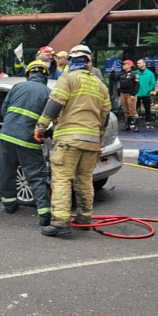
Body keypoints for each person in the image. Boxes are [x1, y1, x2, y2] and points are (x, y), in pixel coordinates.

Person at [34, 45, 110, 237]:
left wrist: (41, 127)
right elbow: (105, 117)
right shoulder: (101, 86)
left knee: (61, 179)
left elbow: (55, 104)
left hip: (69, 140)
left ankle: (60, 223)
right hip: (91, 142)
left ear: (71, 61)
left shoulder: (67, 78)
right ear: (88, 62)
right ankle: (84, 218)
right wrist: (99, 139)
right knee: (84, 180)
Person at [0, 59, 52, 224]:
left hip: (6, 135)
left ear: (29, 73)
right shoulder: (47, 92)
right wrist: (48, 133)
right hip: (28, 139)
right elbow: (52, 117)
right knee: (36, 175)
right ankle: (44, 214)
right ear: (45, 76)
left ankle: (9, 206)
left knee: (7, 171)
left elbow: (3, 110)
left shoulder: (17, 87)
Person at [111, 60, 139, 132]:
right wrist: (113, 71)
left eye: (124, 64)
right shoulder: (121, 74)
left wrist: (133, 94)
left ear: (129, 65)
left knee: (132, 110)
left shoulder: (134, 74)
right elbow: (114, 78)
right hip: (123, 94)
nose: (123, 65)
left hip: (130, 94)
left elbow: (137, 85)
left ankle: (136, 125)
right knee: (125, 110)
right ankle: (127, 125)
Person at [135, 58, 156, 128]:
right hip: (137, 93)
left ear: (144, 64)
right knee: (135, 108)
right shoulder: (135, 73)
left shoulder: (150, 73)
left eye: (139, 63)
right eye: (137, 63)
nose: (138, 64)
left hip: (146, 94)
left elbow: (153, 84)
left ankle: (148, 122)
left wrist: (148, 90)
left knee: (147, 108)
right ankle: (134, 121)